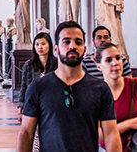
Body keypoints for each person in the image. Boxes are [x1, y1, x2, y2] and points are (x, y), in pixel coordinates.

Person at [16, 21, 121, 152]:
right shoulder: (38, 87)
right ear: (56, 49)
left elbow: (111, 133)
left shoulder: (100, 88)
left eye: (78, 42)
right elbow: (26, 133)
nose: (73, 46)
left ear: (84, 48)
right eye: (66, 42)